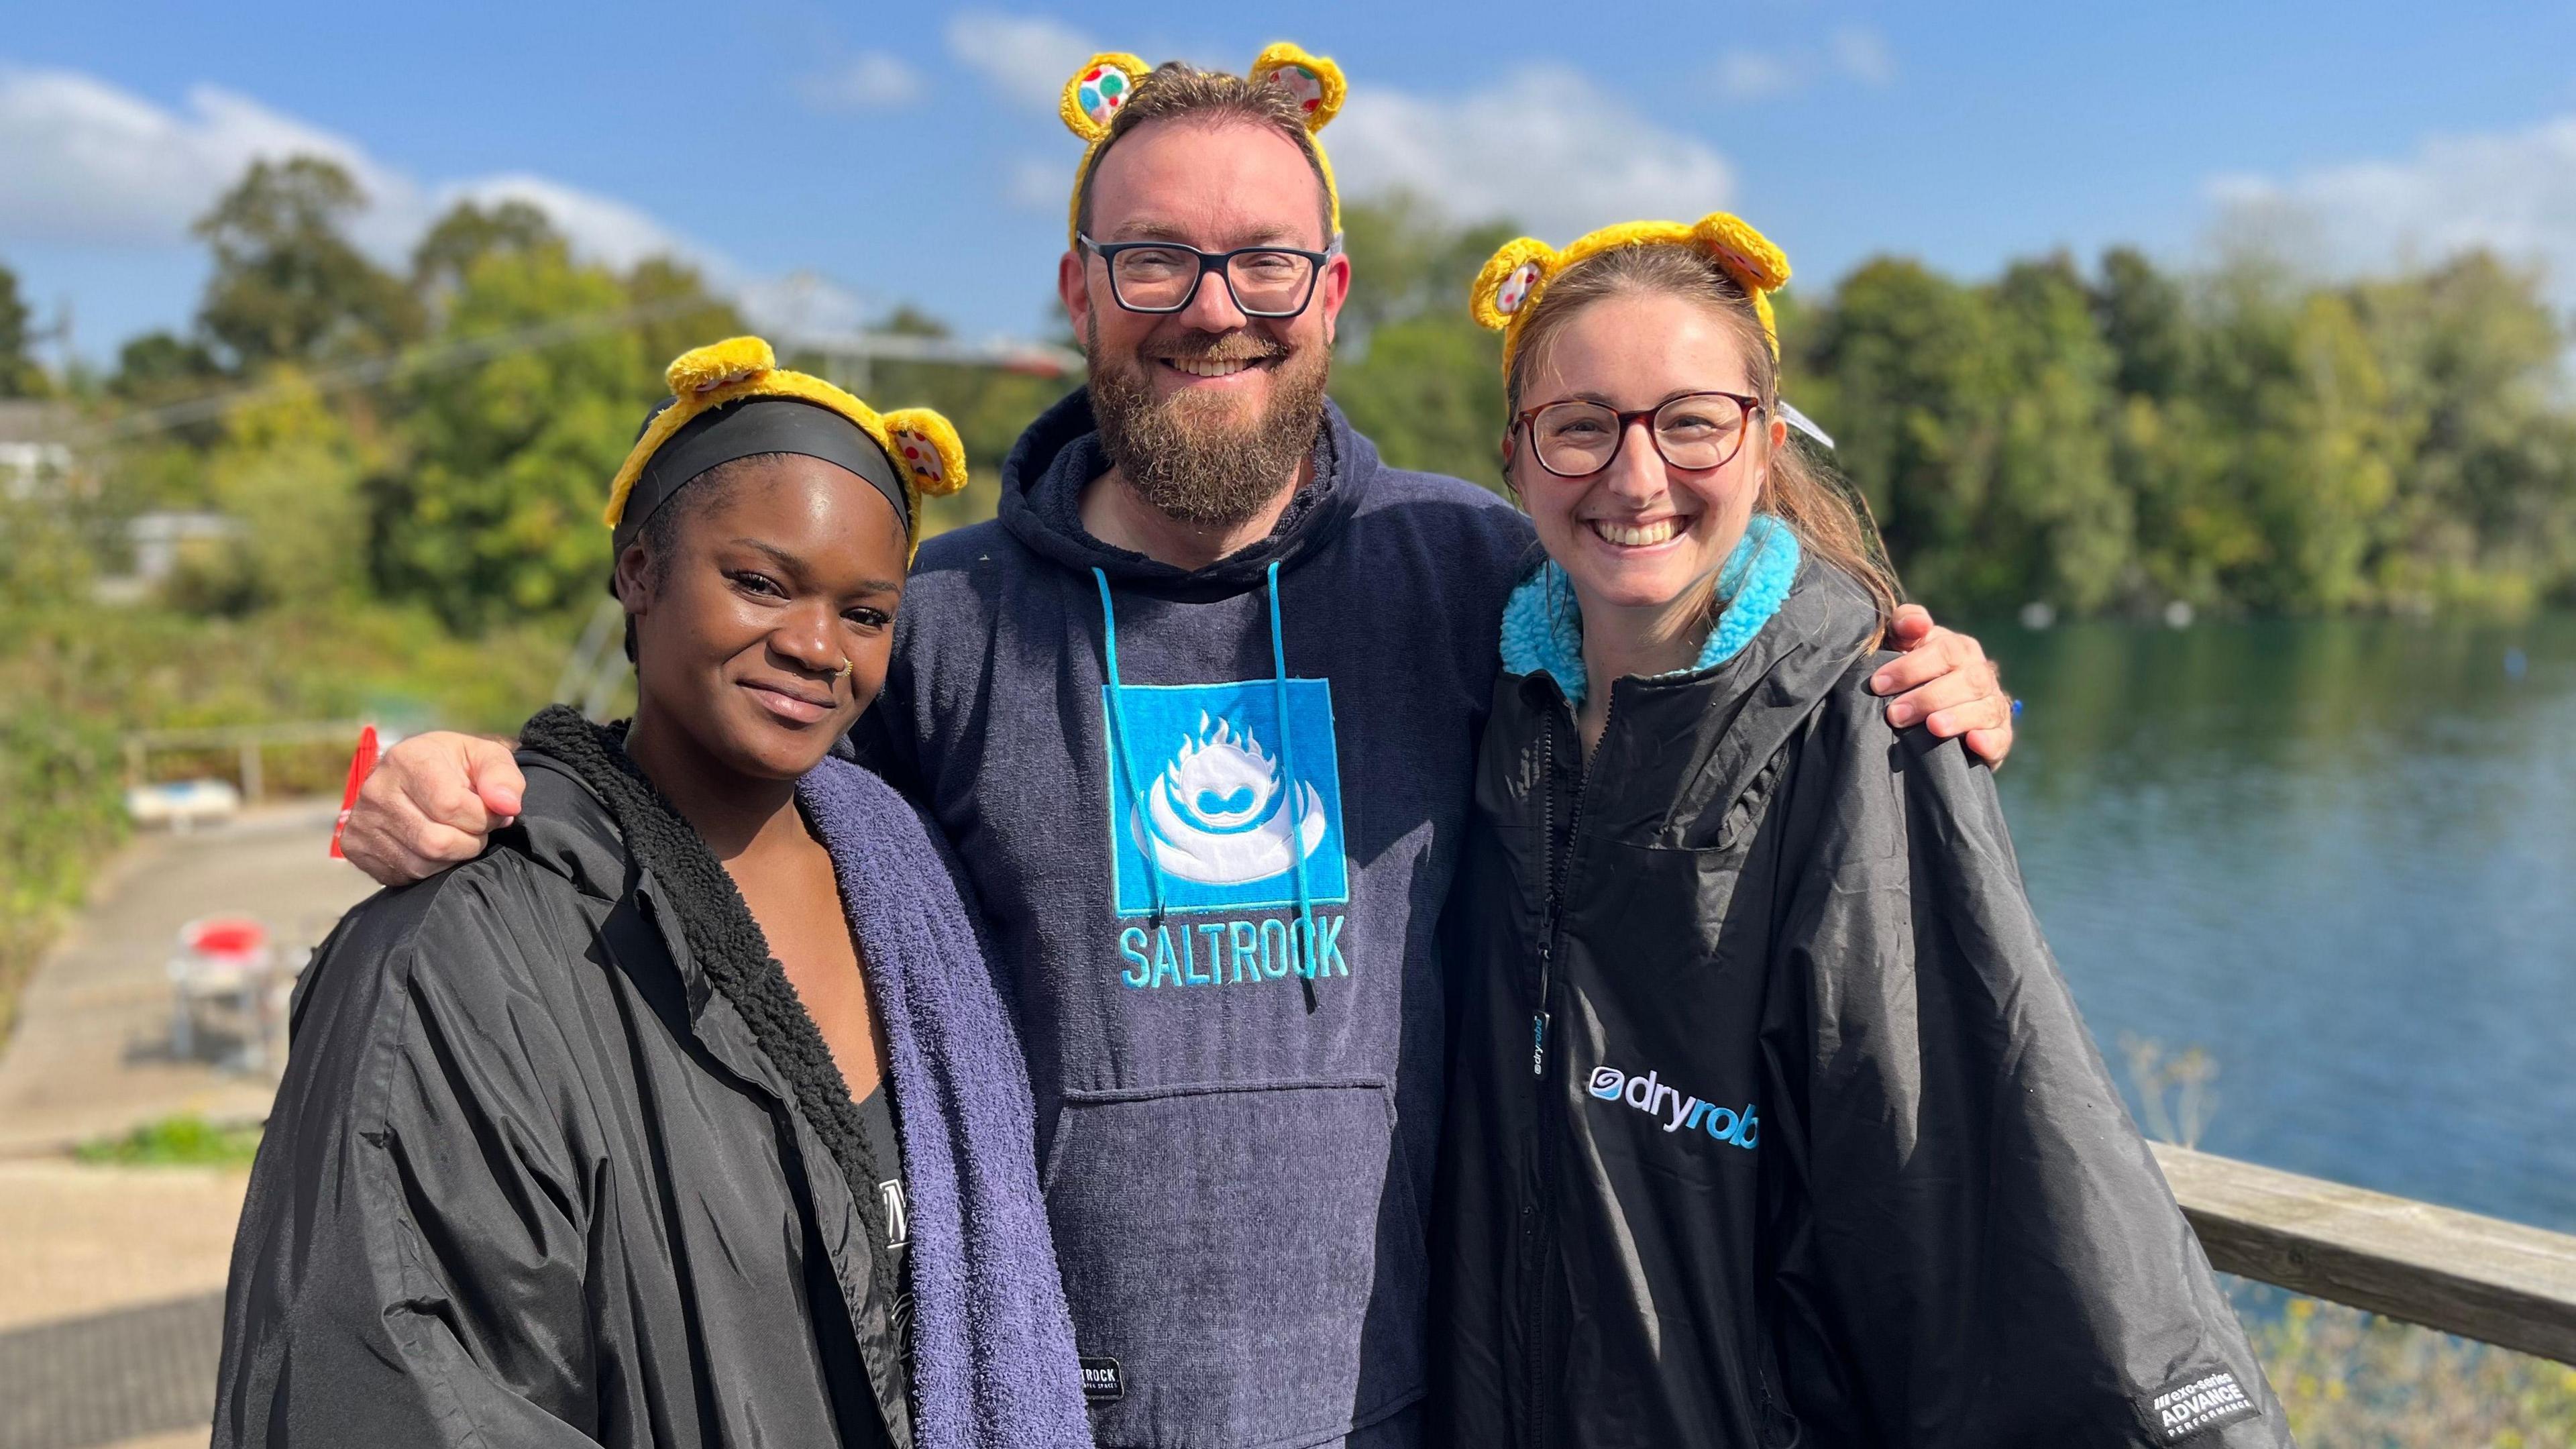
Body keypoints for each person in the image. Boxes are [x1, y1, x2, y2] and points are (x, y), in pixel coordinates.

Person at [337, 49, 2017, 1449]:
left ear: (1332, 292)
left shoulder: (1470, 573)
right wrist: (506, 784)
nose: (1213, 308)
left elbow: (1689, 626)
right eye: (1155, 259)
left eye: (1265, 261)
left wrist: (1896, 671)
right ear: (1080, 288)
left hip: (1431, 1407)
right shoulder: (936, 617)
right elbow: (705, 781)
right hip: (1041, 1403)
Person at [1432, 217, 2288, 1446]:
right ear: (1516, 462)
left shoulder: (1874, 729)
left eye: (1691, 420)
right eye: (1581, 425)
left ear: (1766, 442)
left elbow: (1994, 1157)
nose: (1636, 477)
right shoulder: (1489, 710)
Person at [215, 339, 1091, 1449]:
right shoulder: (462, 949)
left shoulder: (914, 893)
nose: (818, 647)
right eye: (761, 583)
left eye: (866, 613)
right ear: (638, 571)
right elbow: (395, 1384)